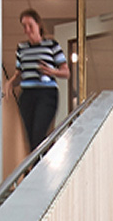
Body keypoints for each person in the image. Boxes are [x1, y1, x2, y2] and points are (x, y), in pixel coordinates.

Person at [6, 8, 69, 148]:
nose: (27, 30)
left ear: (38, 25)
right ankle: (38, 160)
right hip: (27, 94)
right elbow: (19, 74)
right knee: (30, 137)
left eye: (30, 25)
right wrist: (10, 83)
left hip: (46, 94)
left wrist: (52, 71)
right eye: (24, 26)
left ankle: (44, 159)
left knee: (39, 133)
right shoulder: (21, 48)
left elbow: (66, 72)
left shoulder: (51, 45)